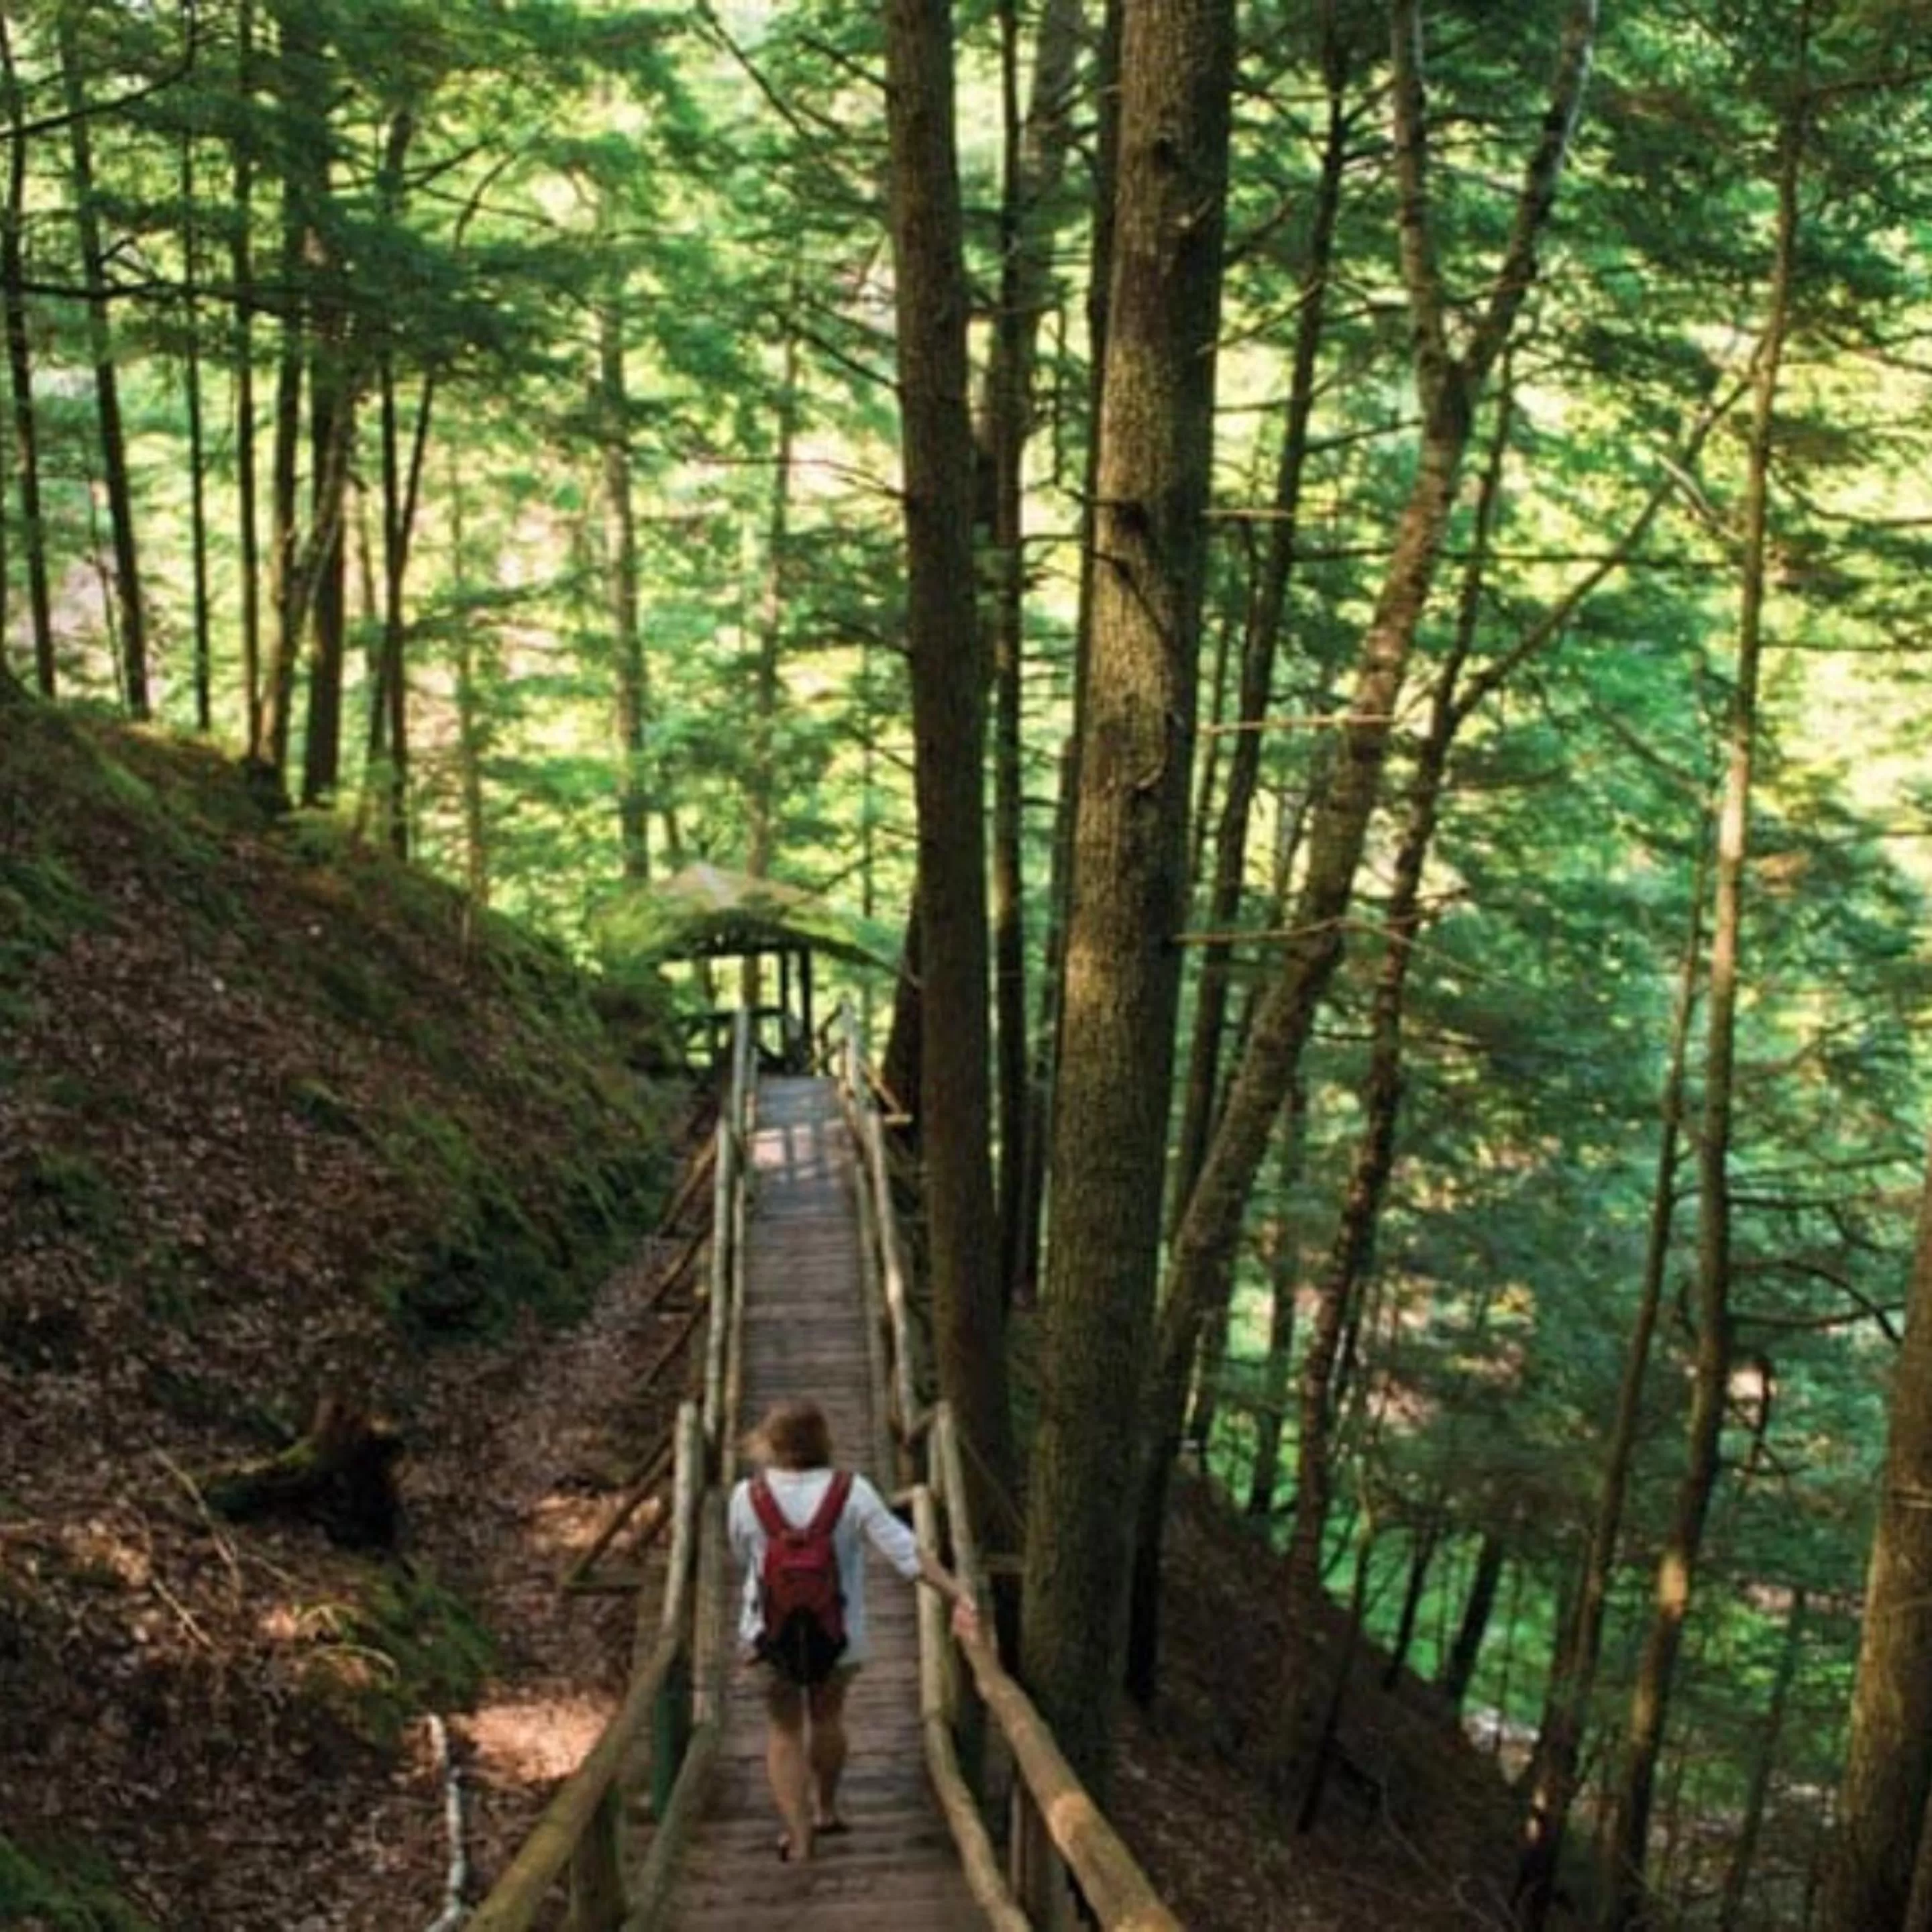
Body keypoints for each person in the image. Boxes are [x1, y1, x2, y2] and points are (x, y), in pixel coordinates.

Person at [728, 1397, 978, 1863]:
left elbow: (742, 1556)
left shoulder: (748, 1497)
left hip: (767, 1635)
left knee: (784, 1730)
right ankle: (825, 1808)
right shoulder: (853, 1491)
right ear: (824, 1440)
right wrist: (957, 1593)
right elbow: (906, 1552)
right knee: (828, 1717)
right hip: (838, 1633)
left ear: (769, 1443)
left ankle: (798, 1837)